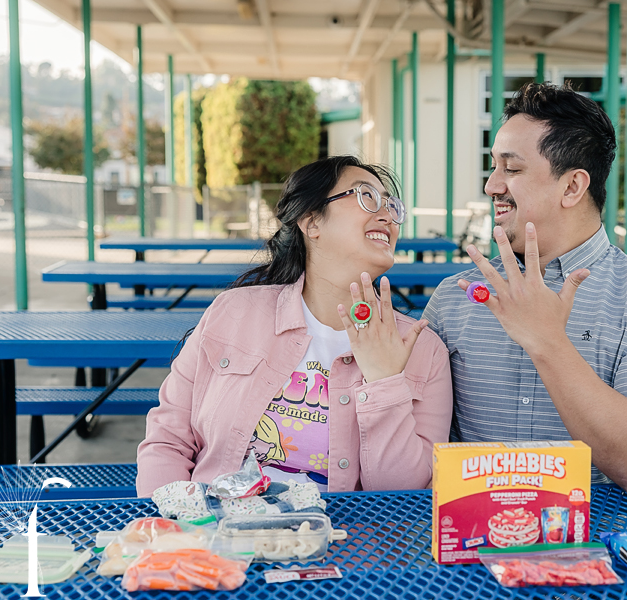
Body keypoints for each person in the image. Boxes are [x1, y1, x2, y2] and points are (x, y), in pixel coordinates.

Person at [423, 83, 627, 501]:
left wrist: (547, 341)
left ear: (572, 187)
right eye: (492, 167)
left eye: (511, 170)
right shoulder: (455, 296)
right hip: (464, 543)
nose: (492, 186)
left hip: (598, 546)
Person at [137, 156, 453, 497]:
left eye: (392, 206)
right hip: (218, 534)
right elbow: (168, 438)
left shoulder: (422, 349)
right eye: (366, 197)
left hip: (348, 544)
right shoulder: (232, 313)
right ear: (312, 221)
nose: (387, 215)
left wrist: (384, 382)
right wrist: (173, 524)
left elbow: (405, 495)